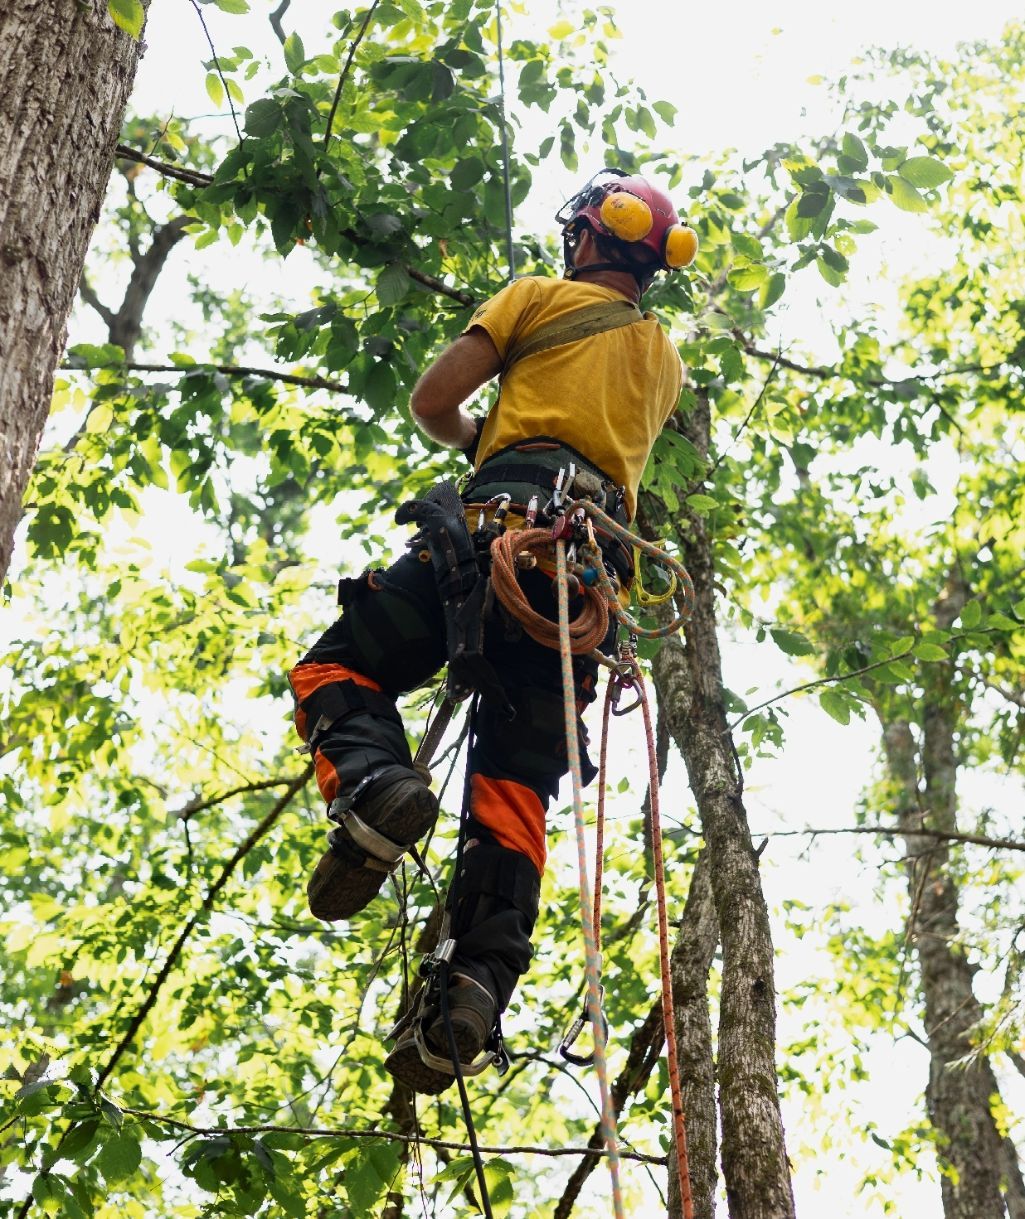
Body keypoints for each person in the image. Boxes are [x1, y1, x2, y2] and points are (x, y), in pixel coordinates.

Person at [287, 168, 696, 1093]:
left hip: (493, 542)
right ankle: (475, 982)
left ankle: (373, 787)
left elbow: (435, 400)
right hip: (580, 598)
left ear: (590, 236)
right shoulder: (663, 360)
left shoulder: (534, 297)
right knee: (513, 792)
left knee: (335, 667)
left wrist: (483, 434)